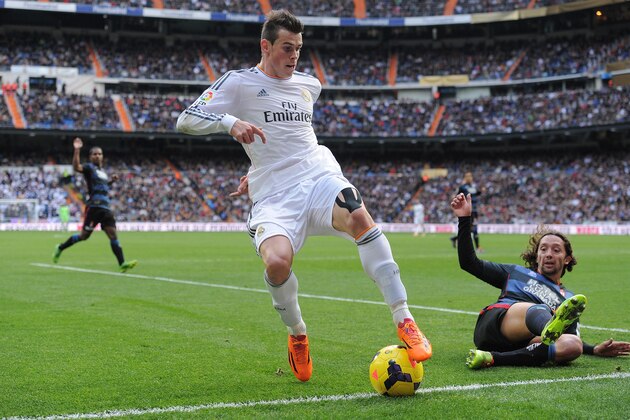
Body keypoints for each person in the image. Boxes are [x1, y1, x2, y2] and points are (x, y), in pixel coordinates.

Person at [176, 9, 432, 382]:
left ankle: (404, 318)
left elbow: (291, 139)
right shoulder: (239, 82)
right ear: (265, 46)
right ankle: (297, 334)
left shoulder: (309, 84)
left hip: (318, 176)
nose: (294, 55)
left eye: (298, 48)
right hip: (274, 196)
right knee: (277, 263)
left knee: (358, 215)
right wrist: (230, 124)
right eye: (286, 47)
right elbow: (186, 119)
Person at [450, 192, 630, 369]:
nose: (549, 254)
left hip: (525, 343)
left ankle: (494, 358)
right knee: (540, 309)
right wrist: (465, 219)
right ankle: (548, 326)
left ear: (567, 258)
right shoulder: (515, 272)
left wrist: (595, 349)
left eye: (556, 250)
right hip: (496, 325)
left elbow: (571, 334)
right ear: (536, 257)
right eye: (543, 249)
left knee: (573, 345)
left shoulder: (569, 299)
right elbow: (469, 263)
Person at [53, 137, 137, 273]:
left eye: (99, 154)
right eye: (94, 154)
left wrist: (111, 181)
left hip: (106, 208)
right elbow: (76, 167)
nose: (97, 156)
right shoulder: (89, 168)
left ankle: (122, 263)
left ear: (102, 156)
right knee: (84, 236)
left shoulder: (103, 173)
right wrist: (77, 150)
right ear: (91, 157)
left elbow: (102, 186)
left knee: (113, 235)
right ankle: (60, 247)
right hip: (94, 207)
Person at [450, 171, 483, 251]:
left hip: (474, 210)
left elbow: (476, 194)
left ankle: (455, 238)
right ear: (465, 178)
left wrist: (481, 191)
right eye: (468, 176)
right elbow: (457, 196)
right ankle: (478, 247)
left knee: (469, 228)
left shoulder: (473, 187)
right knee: (473, 228)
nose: (470, 178)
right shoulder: (463, 187)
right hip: (468, 210)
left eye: (470, 176)